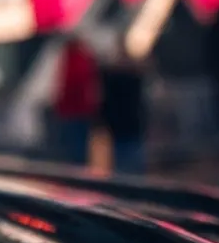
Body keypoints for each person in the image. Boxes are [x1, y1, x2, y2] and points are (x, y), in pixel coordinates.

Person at [50, 36, 100, 165]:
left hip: (74, 111)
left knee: (74, 149)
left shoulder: (74, 59)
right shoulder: (81, 58)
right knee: (76, 148)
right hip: (77, 111)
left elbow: (71, 86)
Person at [98, 48, 147, 174]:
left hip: (121, 126)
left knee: (124, 162)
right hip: (129, 126)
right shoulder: (135, 77)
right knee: (130, 162)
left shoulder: (110, 77)